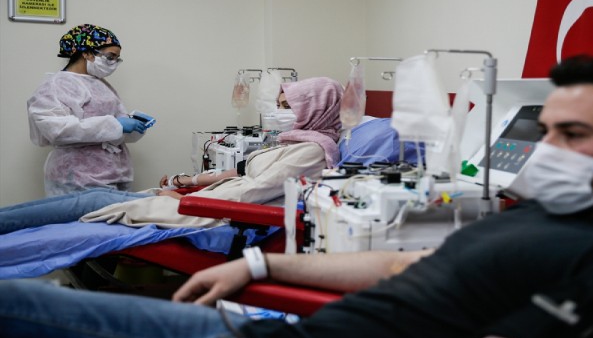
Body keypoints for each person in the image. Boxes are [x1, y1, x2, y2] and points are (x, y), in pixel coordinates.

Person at [0, 57, 593, 338]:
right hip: (267, 327)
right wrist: (261, 268)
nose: (543, 151)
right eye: (542, 131)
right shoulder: (552, 212)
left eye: (572, 136)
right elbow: (400, 265)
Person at [0, 76, 343, 234]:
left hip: (207, 213)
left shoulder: (312, 151)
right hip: (200, 201)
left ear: (316, 109)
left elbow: (253, 193)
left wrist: (185, 201)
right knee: (91, 199)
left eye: (289, 107)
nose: (280, 113)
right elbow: (240, 173)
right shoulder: (292, 143)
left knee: (89, 203)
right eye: (281, 105)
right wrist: (185, 181)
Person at [27, 24, 150, 197]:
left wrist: (133, 125)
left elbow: (114, 126)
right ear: (87, 53)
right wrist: (115, 124)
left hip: (115, 173)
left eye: (117, 58)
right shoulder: (56, 85)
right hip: (75, 178)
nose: (114, 63)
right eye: (110, 56)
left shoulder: (101, 84)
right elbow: (57, 130)